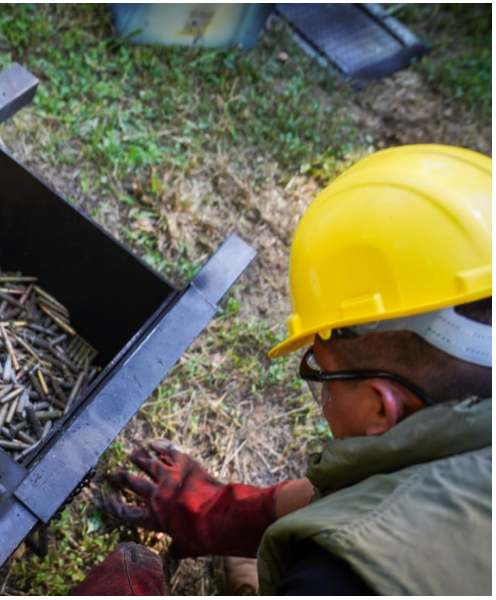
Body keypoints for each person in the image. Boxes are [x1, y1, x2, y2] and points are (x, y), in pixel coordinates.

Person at [73, 144, 492, 595]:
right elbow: (379, 488)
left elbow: (376, 518)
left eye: (321, 377)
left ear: (380, 408)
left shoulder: (347, 580)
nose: (321, 393)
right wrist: (217, 512)